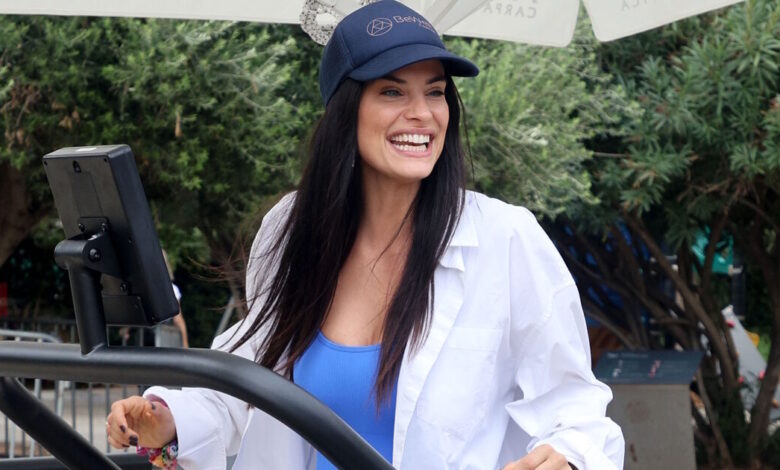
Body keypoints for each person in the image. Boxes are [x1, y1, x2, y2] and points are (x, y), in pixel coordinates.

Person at [106, 1, 624, 469]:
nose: (422, 113)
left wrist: (569, 458)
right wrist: (167, 418)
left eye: (436, 92)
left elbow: (575, 408)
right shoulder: (291, 230)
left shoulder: (505, 238)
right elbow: (246, 377)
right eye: (392, 91)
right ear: (345, 109)